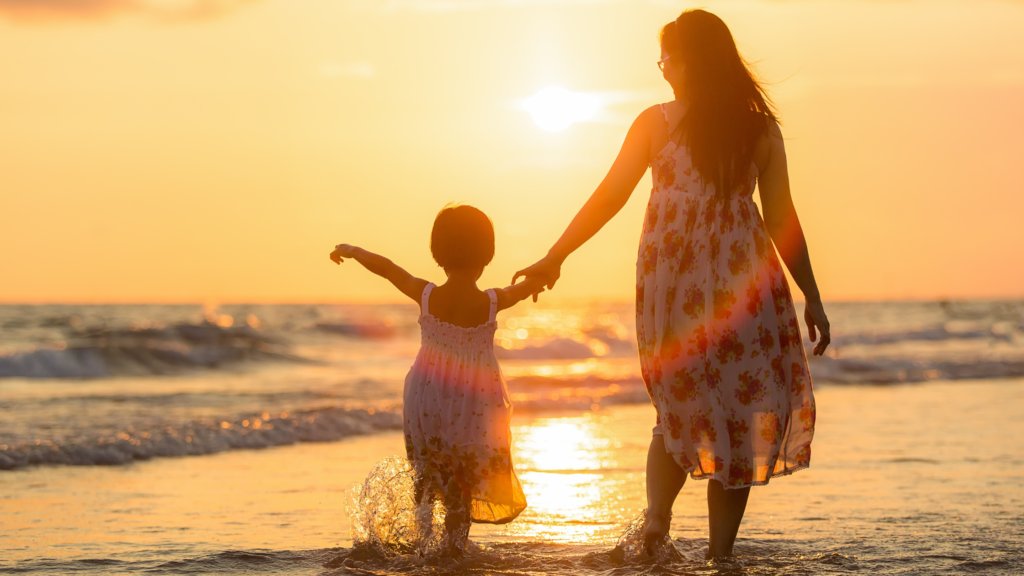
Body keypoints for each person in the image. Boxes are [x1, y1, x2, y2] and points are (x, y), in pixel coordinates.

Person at [514, 9, 830, 560]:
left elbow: (610, 196)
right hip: (745, 289)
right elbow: (781, 218)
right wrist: (812, 295)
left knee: (678, 406)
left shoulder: (657, 122)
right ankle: (720, 556)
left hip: (673, 287)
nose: (661, 69)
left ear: (689, 60)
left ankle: (658, 522)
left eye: (666, 57)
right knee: (738, 411)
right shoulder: (758, 128)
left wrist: (555, 256)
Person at [331, 204, 541, 554]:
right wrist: (544, 275)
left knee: (426, 474)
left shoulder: (426, 295)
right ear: (487, 256)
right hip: (472, 404)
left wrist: (352, 251)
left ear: (438, 254)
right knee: (462, 481)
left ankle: (422, 542)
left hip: (426, 397)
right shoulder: (491, 301)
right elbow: (527, 287)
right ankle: (454, 547)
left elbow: (387, 269)